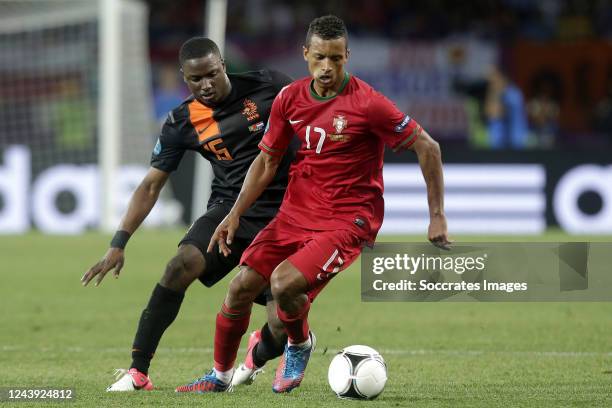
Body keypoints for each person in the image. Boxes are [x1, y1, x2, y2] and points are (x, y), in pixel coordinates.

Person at [175, 15, 449, 394]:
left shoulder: (368, 104)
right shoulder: (289, 98)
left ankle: (299, 345)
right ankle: (219, 377)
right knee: (239, 288)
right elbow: (267, 161)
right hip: (295, 213)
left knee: (283, 283)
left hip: (347, 220)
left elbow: (428, 147)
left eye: (336, 59)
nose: (327, 67)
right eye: (319, 57)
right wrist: (234, 214)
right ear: (305, 54)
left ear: (347, 56)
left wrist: (436, 215)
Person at [81, 37, 296, 391]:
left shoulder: (270, 85)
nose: (206, 85)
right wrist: (118, 244)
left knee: (280, 324)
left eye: (212, 74)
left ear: (223, 64)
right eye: (196, 79)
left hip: (285, 214)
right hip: (228, 209)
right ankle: (138, 372)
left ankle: (258, 353)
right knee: (179, 265)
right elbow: (151, 185)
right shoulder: (183, 120)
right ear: (184, 77)